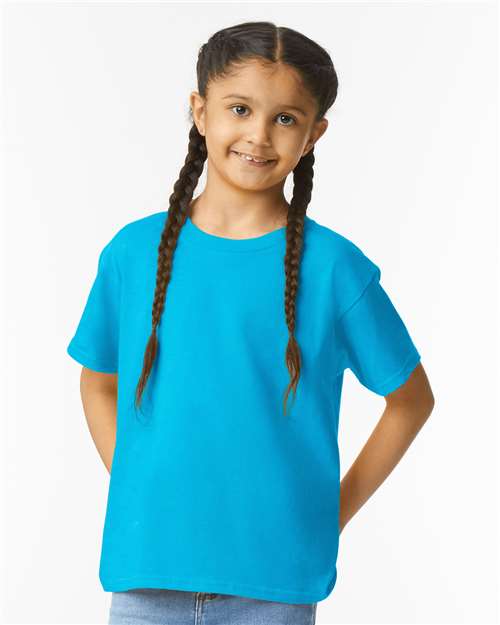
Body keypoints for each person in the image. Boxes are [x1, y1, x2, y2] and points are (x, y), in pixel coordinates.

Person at [66, 20, 435, 625]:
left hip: (274, 585)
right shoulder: (131, 254)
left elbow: (411, 399)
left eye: (285, 118)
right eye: (239, 109)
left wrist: (330, 511)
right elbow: (98, 380)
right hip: (147, 575)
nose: (259, 135)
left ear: (314, 134)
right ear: (200, 111)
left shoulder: (335, 268)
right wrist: (138, 480)